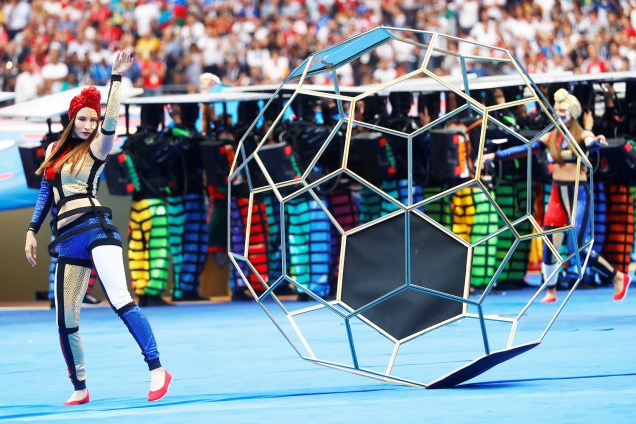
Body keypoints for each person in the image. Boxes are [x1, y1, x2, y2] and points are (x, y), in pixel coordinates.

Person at [24, 50, 172, 405]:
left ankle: (157, 369)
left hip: (96, 230)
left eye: (94, 119)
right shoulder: (54, 155)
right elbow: (46, 192)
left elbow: (110, 123)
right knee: (65, 317)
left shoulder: (98, 149)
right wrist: (31, 229)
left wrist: (115, 79)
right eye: (84, 119)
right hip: (67, 239)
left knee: (120, 299)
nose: (90, 125)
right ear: (73, 118)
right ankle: (80, 386)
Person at [484, 88, 631, 303]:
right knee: (550, 241)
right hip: (556, 192)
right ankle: (550, 290)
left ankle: (618, 276)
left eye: (563, 111)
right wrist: (494, 156)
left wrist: (597, 141)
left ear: (572, 112)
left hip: (577, 194)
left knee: (577, 248)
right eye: (557, 110)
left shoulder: (581, 134)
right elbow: (526, 149)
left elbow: (592, 142)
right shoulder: (551, 136)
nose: (559, 114)